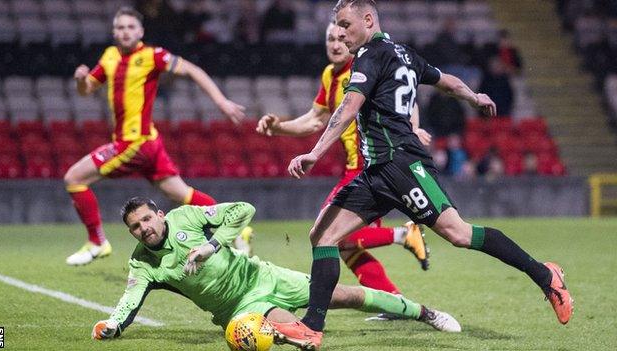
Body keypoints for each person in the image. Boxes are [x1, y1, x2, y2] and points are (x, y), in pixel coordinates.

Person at [279, 1, 573, 349]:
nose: (341, 33)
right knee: (323, 236)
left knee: (459, 234)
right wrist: (473, 96)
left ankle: (545, 274)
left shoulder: (371, 55)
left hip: (402, 166)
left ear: (368, 20)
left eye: (345, 24)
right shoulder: (403, 53)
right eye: (337, 26)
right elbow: (445, 80)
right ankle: (312, 327)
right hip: (376, 171)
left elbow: (348, 109)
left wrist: (314, 152)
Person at [91, 197, 461, 344]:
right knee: (300, 335)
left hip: (264, 276)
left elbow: (243, 209)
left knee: (346, 295)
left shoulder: (186, 216)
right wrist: (114, 325)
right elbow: (130, 298)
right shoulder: (143, 263)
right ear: (131, 233)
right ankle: (293, 335)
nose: (144, 229)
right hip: (239, 309)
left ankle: (425, 313)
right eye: (135, 228)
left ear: (158, 214)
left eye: (146, 220)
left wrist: (213, 244)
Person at [256, 23, 431, 311]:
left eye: (341, 37)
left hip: (372, 164)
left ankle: (403, 235)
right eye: (330, 39)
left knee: (330, 236)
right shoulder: (330, 75)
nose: (336, 44)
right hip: (353, 167)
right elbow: (315, 120)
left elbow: (404, 86)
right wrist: (278, 128)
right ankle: (394, 301)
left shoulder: (367, 63)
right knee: (342, 244)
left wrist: (413, 126)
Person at [65, 7, 246, 266]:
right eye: (120, 28)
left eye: (130, 27)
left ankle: (97, 241)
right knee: (182, 194)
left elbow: (193, 70)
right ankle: (237, 226)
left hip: (135, 142)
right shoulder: (109, 56)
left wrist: (222, 101)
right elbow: (86, 90)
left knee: (74, 178)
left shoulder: (152, 55)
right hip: (150, 143)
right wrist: (81, 80)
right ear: (114, 32)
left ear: (140, 31)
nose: (125, 32)